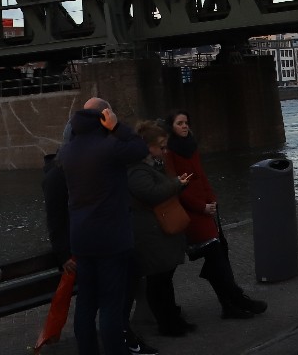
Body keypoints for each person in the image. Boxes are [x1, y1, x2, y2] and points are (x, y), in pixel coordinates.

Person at [60, 97, 151, 355]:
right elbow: (140, 149)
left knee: (86, 303)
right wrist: (117, 127)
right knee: (111, 305)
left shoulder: (67, 151)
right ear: (105, 116)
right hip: (111, 238)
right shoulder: (110, 146)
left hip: (81, 238)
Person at [163, 110, 267, 319]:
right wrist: (201, 206)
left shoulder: (191, 146)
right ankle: (236, 298)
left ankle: (229, 305)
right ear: (171, 127)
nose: (184, 126)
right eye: (179, 123)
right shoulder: (168, 152)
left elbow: (201, 176)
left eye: (186, 122)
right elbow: (175, 187)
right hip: (191, 214)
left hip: (207, 209)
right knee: (216, 254)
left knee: (220, 254)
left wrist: (212, 200)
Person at [128, 121, 191, 338]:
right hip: (149, 233)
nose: (165, 151)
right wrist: (176, 184)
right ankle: (168, 324)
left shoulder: (148, 166)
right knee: (158, 280)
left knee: (164, 279)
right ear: (148, 147)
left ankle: (173, 319)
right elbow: (151, 193)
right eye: (161, 147)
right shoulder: (137, 171)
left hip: (155, 230)